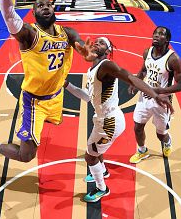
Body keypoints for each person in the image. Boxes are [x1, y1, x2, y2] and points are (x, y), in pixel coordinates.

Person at [0, 0, 94, 166]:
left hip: (56, 96)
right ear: (34, 12)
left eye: (48, 4)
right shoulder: (29, 34)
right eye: (40, 5)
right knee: (26, 155)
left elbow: (79, 44)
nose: (45, 6)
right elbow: (9, 14)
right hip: (35, 101)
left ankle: (34, 129)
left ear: (54, 8)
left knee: (45, 127)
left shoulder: (67, 32)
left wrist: (86, 52)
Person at [64, 37, 172, 202]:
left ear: (108, 51)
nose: (96, 43)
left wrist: (155, 94)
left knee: (90, 156)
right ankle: (104, 171)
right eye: (96, 41)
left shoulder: (107, 65)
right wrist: (67, 85)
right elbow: (87, 97)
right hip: (101, 119)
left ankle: (102, 189)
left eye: (101, 43)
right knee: (94, 150)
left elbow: (131, 78)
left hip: (110, 121)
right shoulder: (92, 70)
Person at [129, 26, 181, 164]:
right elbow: (143, 71)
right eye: (155, 33)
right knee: (137, 127)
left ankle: (167, 141)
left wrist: (159, 91)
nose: (156, 35)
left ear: (167, 39)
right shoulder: (147, 52)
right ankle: (142, 151)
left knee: (160, 134)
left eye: (160, 34)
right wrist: (136, 82)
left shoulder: (173, 59)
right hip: (145, 97)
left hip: (162, 101)